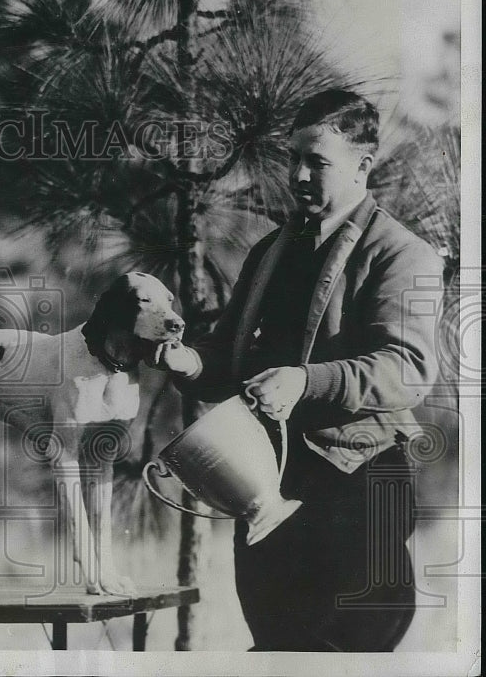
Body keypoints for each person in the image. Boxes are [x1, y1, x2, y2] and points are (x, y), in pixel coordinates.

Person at [156, 89, 443, 651]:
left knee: (349, 653)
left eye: (317, 161)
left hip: (361, 486)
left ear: (363, 166)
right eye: (293, 158)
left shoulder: (399, 253)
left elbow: (408, 368)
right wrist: (189, 362)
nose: (298, 175)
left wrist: (307, 380)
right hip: (265, 487)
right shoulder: (271, 253)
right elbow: (228, 362)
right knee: (276, 648)